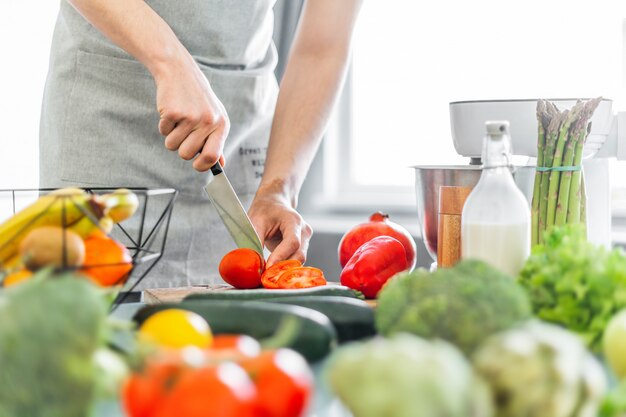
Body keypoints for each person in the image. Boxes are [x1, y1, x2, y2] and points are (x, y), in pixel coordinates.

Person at [39, 0, 363, 287]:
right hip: (106, 131)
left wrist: (278, 186)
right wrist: (170, 61)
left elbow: (322, 47)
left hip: (239, 154)